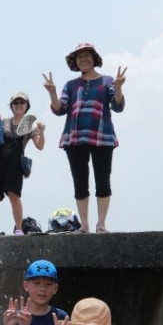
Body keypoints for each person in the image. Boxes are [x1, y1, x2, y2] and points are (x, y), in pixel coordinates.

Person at [44, 43, 127, 233]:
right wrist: (52, 92)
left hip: (102, 137)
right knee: (80, 182)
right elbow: (60, 109)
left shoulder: (107, 81)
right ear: (75, 62)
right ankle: (84, 225)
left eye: (87, 55)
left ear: (94, 58)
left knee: (103, 180)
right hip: (74, 139)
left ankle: (101, 224)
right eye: (79, 57)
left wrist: (119, 87)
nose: (83, 59)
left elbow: (117, 105)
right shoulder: (71, 85)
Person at [0, 92, 47, 236]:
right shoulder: (2, 121)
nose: (19, 105)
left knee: (14, 196)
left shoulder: (31, 125)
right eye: (15, 103)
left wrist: (41, 131)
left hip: (15, 164)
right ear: (11, 106)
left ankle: (18, 229)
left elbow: (40, 146)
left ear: (27, 105)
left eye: (22, 102)